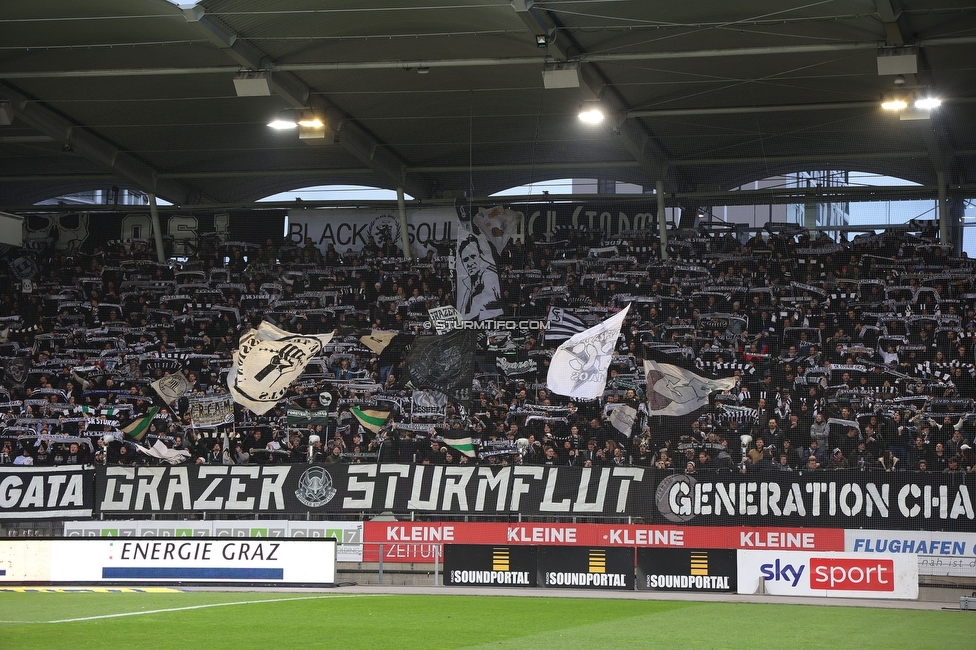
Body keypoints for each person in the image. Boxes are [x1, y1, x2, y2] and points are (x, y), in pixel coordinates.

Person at [456, 234, 503, 321]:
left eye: (473, 256)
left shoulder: (489, 274)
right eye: (465, 260)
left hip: (489, 320)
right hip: (475, 323)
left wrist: (462, 320)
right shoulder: (467, 280)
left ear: (480, 255)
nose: (469, 263)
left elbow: (483, 304)